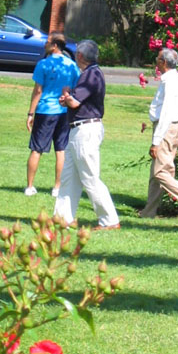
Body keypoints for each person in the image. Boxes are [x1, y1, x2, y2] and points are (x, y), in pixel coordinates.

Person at [53, 39, 121, 231]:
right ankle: (63, 217)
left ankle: (109, 220)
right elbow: (74, 100)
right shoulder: (90, 74)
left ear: (80, 56)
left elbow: (74, 103)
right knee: (69, 176)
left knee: (90, 177)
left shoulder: (91, 75)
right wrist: (67, 97)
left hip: (86, 130)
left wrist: (66, 95)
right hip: (78, 129)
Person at [138, 48, 178, 220]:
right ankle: (148, 212)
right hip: (173, 128)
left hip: (166, 128)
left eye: (158, 59)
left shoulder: (170, 82)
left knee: (161, 172)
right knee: (156, 173)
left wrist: (156, 141)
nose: (156, 62)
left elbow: (166, 112)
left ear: (164, 63)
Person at [24, 33, 80, 196]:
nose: (44, 44)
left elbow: (38, 90)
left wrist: (30, 113)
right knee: (61, 150)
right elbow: (75, 88)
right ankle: (57, 188)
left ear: (55, 45)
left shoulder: (43, 64)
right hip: (64, 112)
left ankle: (30, 186)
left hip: (45, 111)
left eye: (47, 42)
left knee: (36, 149)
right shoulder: (71, 65)